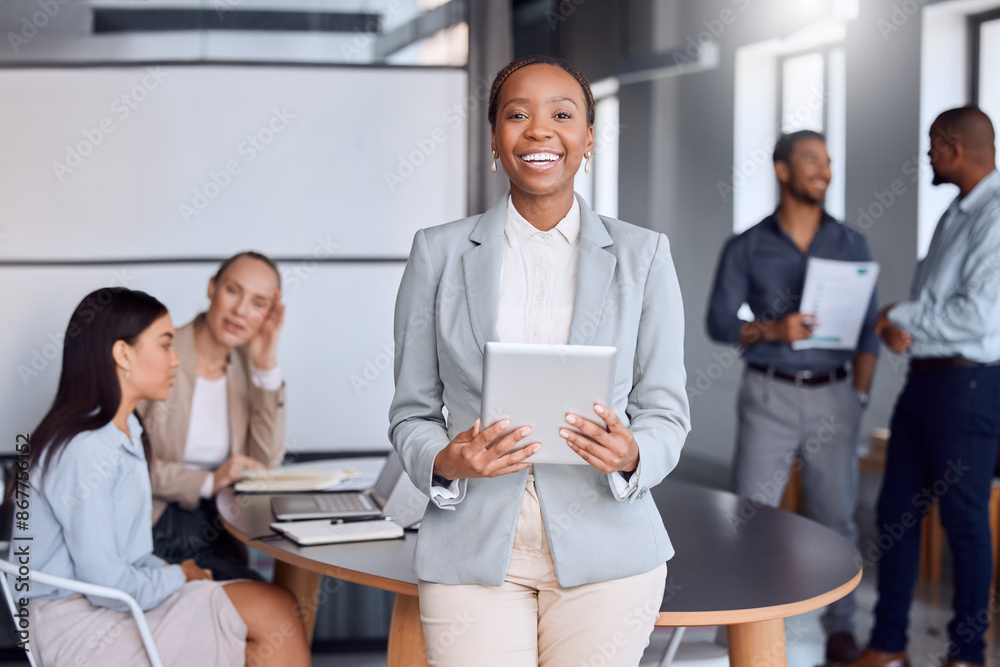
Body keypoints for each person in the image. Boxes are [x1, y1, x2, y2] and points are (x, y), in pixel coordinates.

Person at [389, 55, 690, 667]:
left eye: (562, 114)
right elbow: (411, 414)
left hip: (608, 550)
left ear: (588, 138)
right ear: (496, 140)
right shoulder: (438, 252)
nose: (539, 130)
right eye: (517, 114)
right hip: (472, 548)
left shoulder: (644, 256)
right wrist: (443, 460)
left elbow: (665, 411)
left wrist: (635, 454)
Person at [9, 287, 309, 666]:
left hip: (113, 604)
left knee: (272, 608)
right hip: (80, 626)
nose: (176, 361)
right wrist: (179, 577)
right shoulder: (85, 448)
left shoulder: (125, 432)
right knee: (273, 609)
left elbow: (124, 558)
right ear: (123, 354)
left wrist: (172, 572)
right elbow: (105, 583)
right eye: (165, 345)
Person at [705, 130, 879, 664]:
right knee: (751, 520)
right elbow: (718, 322)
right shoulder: (747, 245)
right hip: (769, 395)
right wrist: (770, 331)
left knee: (837, 520)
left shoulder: (851, 244)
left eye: (827, 162)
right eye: (811, 160)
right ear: (782, 170)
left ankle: (841, 633)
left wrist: (860, 399)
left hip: (835, 396)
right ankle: (743, 629)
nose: (823, 170)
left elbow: (869, 331)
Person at [847, 107, 1000, 667]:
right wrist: (904, 326)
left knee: (963, 521)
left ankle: (967, 653)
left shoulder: (996, 214)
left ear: (954, 148)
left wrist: (897, 314)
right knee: (897, 515)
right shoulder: (954, 215)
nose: (929, 157)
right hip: (926, 383)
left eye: (933, 147)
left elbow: (977, 318)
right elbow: (940, 310)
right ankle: (888, 644)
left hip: (970, 387)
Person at [138, 251, 285, 581]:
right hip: (150, 525)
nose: (241, 311)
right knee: (267, 607)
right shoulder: (159, 352)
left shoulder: (248, 370)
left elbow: (264, 464)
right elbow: (120, 465)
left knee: (271, 600)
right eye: (233, 291)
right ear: (211, 288)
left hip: (217, 528)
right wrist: (206, 481)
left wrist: (265, 369)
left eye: (259, 304)